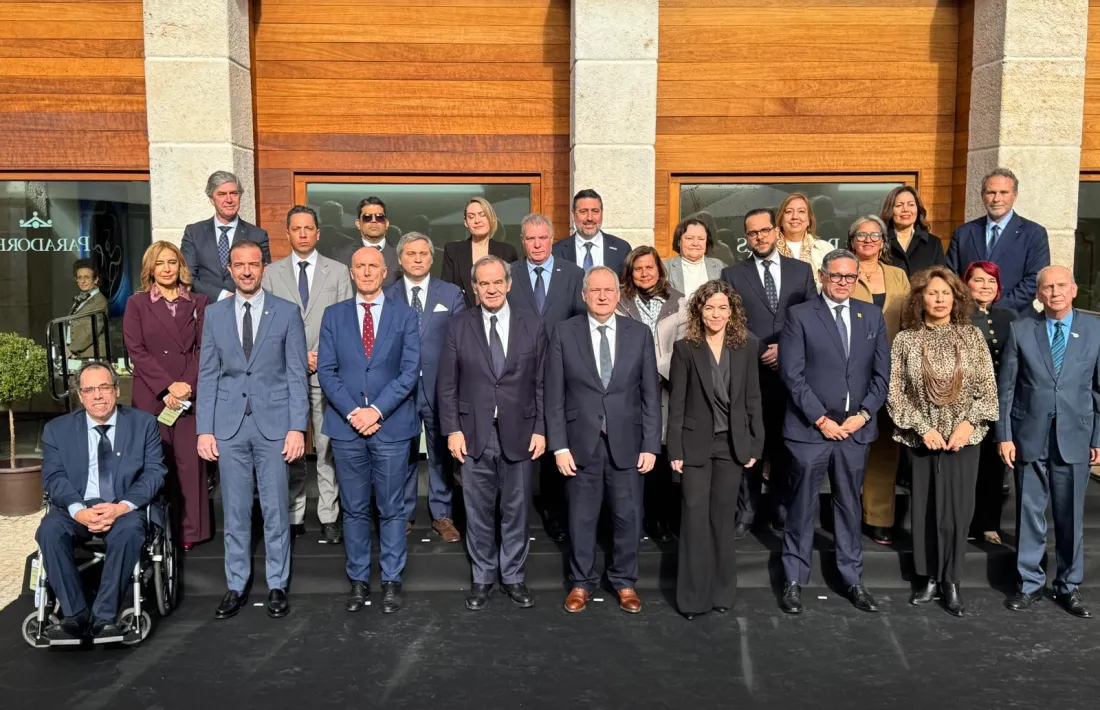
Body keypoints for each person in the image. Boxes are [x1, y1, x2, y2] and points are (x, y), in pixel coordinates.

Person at [197, 240, 308, 621]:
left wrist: (297, 427)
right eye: (239, 264)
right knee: (236, 510)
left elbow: (297, 374)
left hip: (275, 426)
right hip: (228, 428)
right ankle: (236, 583)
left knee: (277, 509)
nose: (246, 271)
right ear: (230, 269)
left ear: (264, 268)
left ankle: (277, 584)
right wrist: (204, 430)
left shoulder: (287, 313)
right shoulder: (214, 315)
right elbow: (208, 374)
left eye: (254, 264)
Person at [778, 249, 890, 615]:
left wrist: (863, 414)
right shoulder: (800, 315)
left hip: (855, 430)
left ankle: (852, 579)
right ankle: (794, 579)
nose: (843, 282)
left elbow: (881, 375)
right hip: (811, 431)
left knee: (848, 506)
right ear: (823, 276)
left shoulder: (871, 314)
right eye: (836, 275)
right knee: (801, 506)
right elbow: (792, 375)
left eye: (850, 276)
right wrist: (821, 420)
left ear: (858, 278)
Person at [546, 266, 661, 614]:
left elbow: (651, 395)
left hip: (628, 441)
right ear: (584, 295)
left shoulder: (639, 333)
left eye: (608, 290)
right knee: (581, 518)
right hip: (581, 443)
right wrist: (559, 445)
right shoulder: (564, 333)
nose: (601, 296)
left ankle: (625, 583)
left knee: (628, 517)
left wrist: (651, 444)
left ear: (618, 294)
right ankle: (581, 583)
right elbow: (553, 394)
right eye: (594, 290)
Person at [437, 255, 547, 610]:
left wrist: (542, 428)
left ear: (509, 284)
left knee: (515, 510)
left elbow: (543, 382)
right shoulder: (458, 325)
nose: (492, 288)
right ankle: (483, 577)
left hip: (521, 430)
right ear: (474, 288)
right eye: (484, 283)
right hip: (472, 433)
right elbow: (447, 385)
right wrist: (452, 429)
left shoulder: (533, 324)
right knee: (478, 510)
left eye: (498, 281)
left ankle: (513, 577)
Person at [887, 267, 998, 617]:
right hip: (924, 438)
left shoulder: (972, 337)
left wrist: (966, 424)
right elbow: (895, 394)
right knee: (924, 510)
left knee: (956, 512)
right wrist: (923, 428)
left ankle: (951, 580)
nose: (938, 299)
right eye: (932, 293)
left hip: (963, 438)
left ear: (956, 298)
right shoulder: (905, 340)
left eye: (945, 293)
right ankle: (928, 578)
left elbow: (988, 391)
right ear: (920, 298)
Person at [317, 246, 420, 614]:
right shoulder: (333, 315)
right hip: (347, 429)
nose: (366, 272)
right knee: (355, 509)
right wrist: (353, 413)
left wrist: (375, 410)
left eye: (372, 266)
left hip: (390, 425)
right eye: (359, 266)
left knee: (392, 509)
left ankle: (391, 581)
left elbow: (409, 372)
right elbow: (326, 371)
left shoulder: (406, 315)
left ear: (384, 270)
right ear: (351, 271)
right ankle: (359, 581)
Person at [35, 362, 167, 643]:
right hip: (77, 506)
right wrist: (78, 511)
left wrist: (122, 506)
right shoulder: (57, 430)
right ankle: (75, 615)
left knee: (130, 531)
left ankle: (105, 617)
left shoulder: (143, 424)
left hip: (124, 506)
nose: (98, 395)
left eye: (104, 387)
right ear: (80, 396)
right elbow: (54, 477)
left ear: (117, 390)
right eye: (89, 389)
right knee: (49, 530)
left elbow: (155, 473)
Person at [998, 266, 1100, 618]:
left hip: (1076, 436)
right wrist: (1005, 436)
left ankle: (1069, 586)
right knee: (1029, 513)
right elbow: (1007, 388)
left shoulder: (1096, 329)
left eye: (1061, 286)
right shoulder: (1022, 329)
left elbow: (1099, 390)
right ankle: (1029, 584)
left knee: (1070, 516)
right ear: (1038, 294)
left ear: (1074, 290)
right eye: (1047, 288)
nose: (1054, 292)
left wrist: (1098, 437)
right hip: (1030, 435)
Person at [667, 281, 763, 619]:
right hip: (693, 447)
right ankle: (693, 599)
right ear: (699, 311)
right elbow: (677, 403)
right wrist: (674, 448)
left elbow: (753, 398)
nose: (716, 314)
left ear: (732, 311)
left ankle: (722, 593)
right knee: (694, 518)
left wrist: (755, 443)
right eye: (710, 308)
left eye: (723, 308)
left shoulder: (746, 347)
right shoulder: (685, 348)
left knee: (722, 520)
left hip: (732, 445)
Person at [721, 208, 817, 537]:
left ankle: (780, 509)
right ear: (745, 238)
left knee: (785, 446)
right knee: (749, 445)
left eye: (764, 230)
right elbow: (730, 321)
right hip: (752, 373)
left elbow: (812, 317)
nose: (759, 237)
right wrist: (761, 350)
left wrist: (786, 350)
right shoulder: (732, 274)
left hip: (792, 377)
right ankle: (746, 511)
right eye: (752, 233)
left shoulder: (802, 271)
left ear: (776, 231)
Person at [262, 205, 353, 544]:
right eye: (296, 228)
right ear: (287, 233)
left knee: (327, 448)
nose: (302, 233)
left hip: (326, 374)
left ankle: (329, 515)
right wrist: (299, 356)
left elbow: (346, 323)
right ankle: (293, 514)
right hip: (285, 375)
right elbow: (267, 325)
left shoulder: (339, 272)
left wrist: (321, 357)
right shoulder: (271, 274)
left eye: (308, 228)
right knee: (292, 448)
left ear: (318, 233)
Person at [123, 241, 209, 550]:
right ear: (151, 269)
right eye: (160, 263)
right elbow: (136, 350)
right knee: (156, 463)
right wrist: (166, 387)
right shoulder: (137, 304)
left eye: (172, 262)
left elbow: (204, 349)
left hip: (189, 393)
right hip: (152, 394)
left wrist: (185, 385)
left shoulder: (199, 302)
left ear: (181, 265)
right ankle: (158, 528)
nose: (167, 268)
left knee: (190, 462)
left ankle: (191, 530)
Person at [506, 213, 585, 543]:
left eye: (542, 238)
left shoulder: (574, 274)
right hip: (518, 373)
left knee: (558, 438)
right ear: (522, 241)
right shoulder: (509, 274)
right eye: (530, 238)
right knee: (520, 440)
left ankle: (556, 514)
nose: (536, 244)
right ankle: (517, 513)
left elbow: (582, 321)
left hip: (564, 370)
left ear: (552, 239)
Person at [384, 232, 465, 542]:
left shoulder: (452, 293)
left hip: (438, 386)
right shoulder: (387, 295)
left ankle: (442, 515)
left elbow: (459, 341)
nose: (417, 259)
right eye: (410, 254)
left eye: (423, 254)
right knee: (402, 451)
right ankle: (402, 515)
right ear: (400, 259)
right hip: (399, 388)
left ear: (432, 258)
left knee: (441, 453)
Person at [848, 215, 911, 545]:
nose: (869, 239)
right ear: (852, 240)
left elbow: (911, 320)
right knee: (850, 446)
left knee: (885, 447)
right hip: (850, 372)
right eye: (862, 234)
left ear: (884, 241)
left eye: (875, 234)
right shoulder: (842, 272)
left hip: (892, 371)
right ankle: (846, 513)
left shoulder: (898, 275)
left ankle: (879, 516)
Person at [617, 246, 687, 543]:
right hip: (630, 389)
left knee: (662, 453)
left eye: (650, 267)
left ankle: (663, 522)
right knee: (635, 454)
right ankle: (638, 520)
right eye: (638, 269)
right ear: (630, 273)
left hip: (667, 386)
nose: (644, 273)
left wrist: (659, 368)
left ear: (660, 269)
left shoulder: (680, 301)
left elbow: (685, 344)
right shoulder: (620, 301)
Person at [946, 168, 1050, 314]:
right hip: (969, 318)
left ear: (1015, 195)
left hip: (1014, 318)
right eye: (991, 193)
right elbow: (951, 277)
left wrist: (997, 309)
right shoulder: (963, 233)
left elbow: (1035, 279)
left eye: (1004, 192)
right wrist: (972, 307)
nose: (997, 199)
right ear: (983, 195)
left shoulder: (1034, 233)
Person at [963, 261, 1016, 544]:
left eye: (991, 282)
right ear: (966, 283)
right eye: (979, 280)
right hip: (968, 403)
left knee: (994, 467)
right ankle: (965, 522)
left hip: (1001, 401)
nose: (985, 286)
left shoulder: (1010, 316)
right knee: (969, 465)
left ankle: (989, 524)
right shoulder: (959, 316)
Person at [181, 171, 271, 302]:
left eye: (234, 193)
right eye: (222, 194)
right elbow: (187, 277)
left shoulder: (257, 235)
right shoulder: (194, 232)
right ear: (212, 199)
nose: (229, 200)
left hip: (245, 308)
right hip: (205, 310)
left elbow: (264, 276)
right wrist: (222, 295)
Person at [441, 197, 519, 308]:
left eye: (482, 215)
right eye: (471, 217)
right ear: (465, 222)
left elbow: (513, 292)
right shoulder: (453, 251)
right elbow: (447, 290)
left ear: (491, 218)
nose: (477, 220)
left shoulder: (507, 251)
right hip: (462, 317)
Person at [551, 189, 632, 274]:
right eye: (583, 211)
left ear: (602, 213)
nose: (590, 218)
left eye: (595, 211)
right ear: (573, 215)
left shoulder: (622, 249)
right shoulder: (556, 251)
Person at [880, 185, 945, 276]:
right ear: (890, 210)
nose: (905, 209)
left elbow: (940, 277)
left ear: (918, 209)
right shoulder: (880, 241)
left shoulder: (933, 243)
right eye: (899, 205)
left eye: (911, 204)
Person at [336, 196, 400, 289]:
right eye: (367, 217)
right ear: (358, 224)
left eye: (379, 217)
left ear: (386, 224)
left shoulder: (400, 255)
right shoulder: (343, 255)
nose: (374, 221)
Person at [775, 192, 832, 283]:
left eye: (801, 211)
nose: (795, 217)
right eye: (789, 211)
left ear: (809, 219)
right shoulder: (768, 250)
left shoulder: (825, 249)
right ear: (781, 219)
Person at [664, 217, 725, 299]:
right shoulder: (665, 268)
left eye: (701, 239)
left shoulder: (719, 266)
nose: (695, 243)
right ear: (679, 241)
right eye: (689, 238)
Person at [67, 259, 109, 361]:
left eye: (86, 277)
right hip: (79, 356)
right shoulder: (81, 299)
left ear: (95, 280)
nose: (83, 281)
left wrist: (71, 349)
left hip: (92, 356)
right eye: (79, 277)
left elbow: (91, 330)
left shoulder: (99, 301)